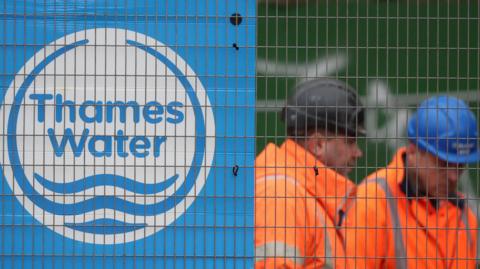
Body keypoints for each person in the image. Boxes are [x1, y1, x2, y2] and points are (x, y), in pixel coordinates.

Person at [342, 96, 479, 269]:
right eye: (444, 164)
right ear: (413, 151)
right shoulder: (371, 202)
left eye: (460, 165)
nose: (453, 176)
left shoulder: (465, 216)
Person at [255, 78, 365, 268]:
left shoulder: (307, 194)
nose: (358, 153)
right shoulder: (281, 194)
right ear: (318, 145)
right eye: (350, 141)